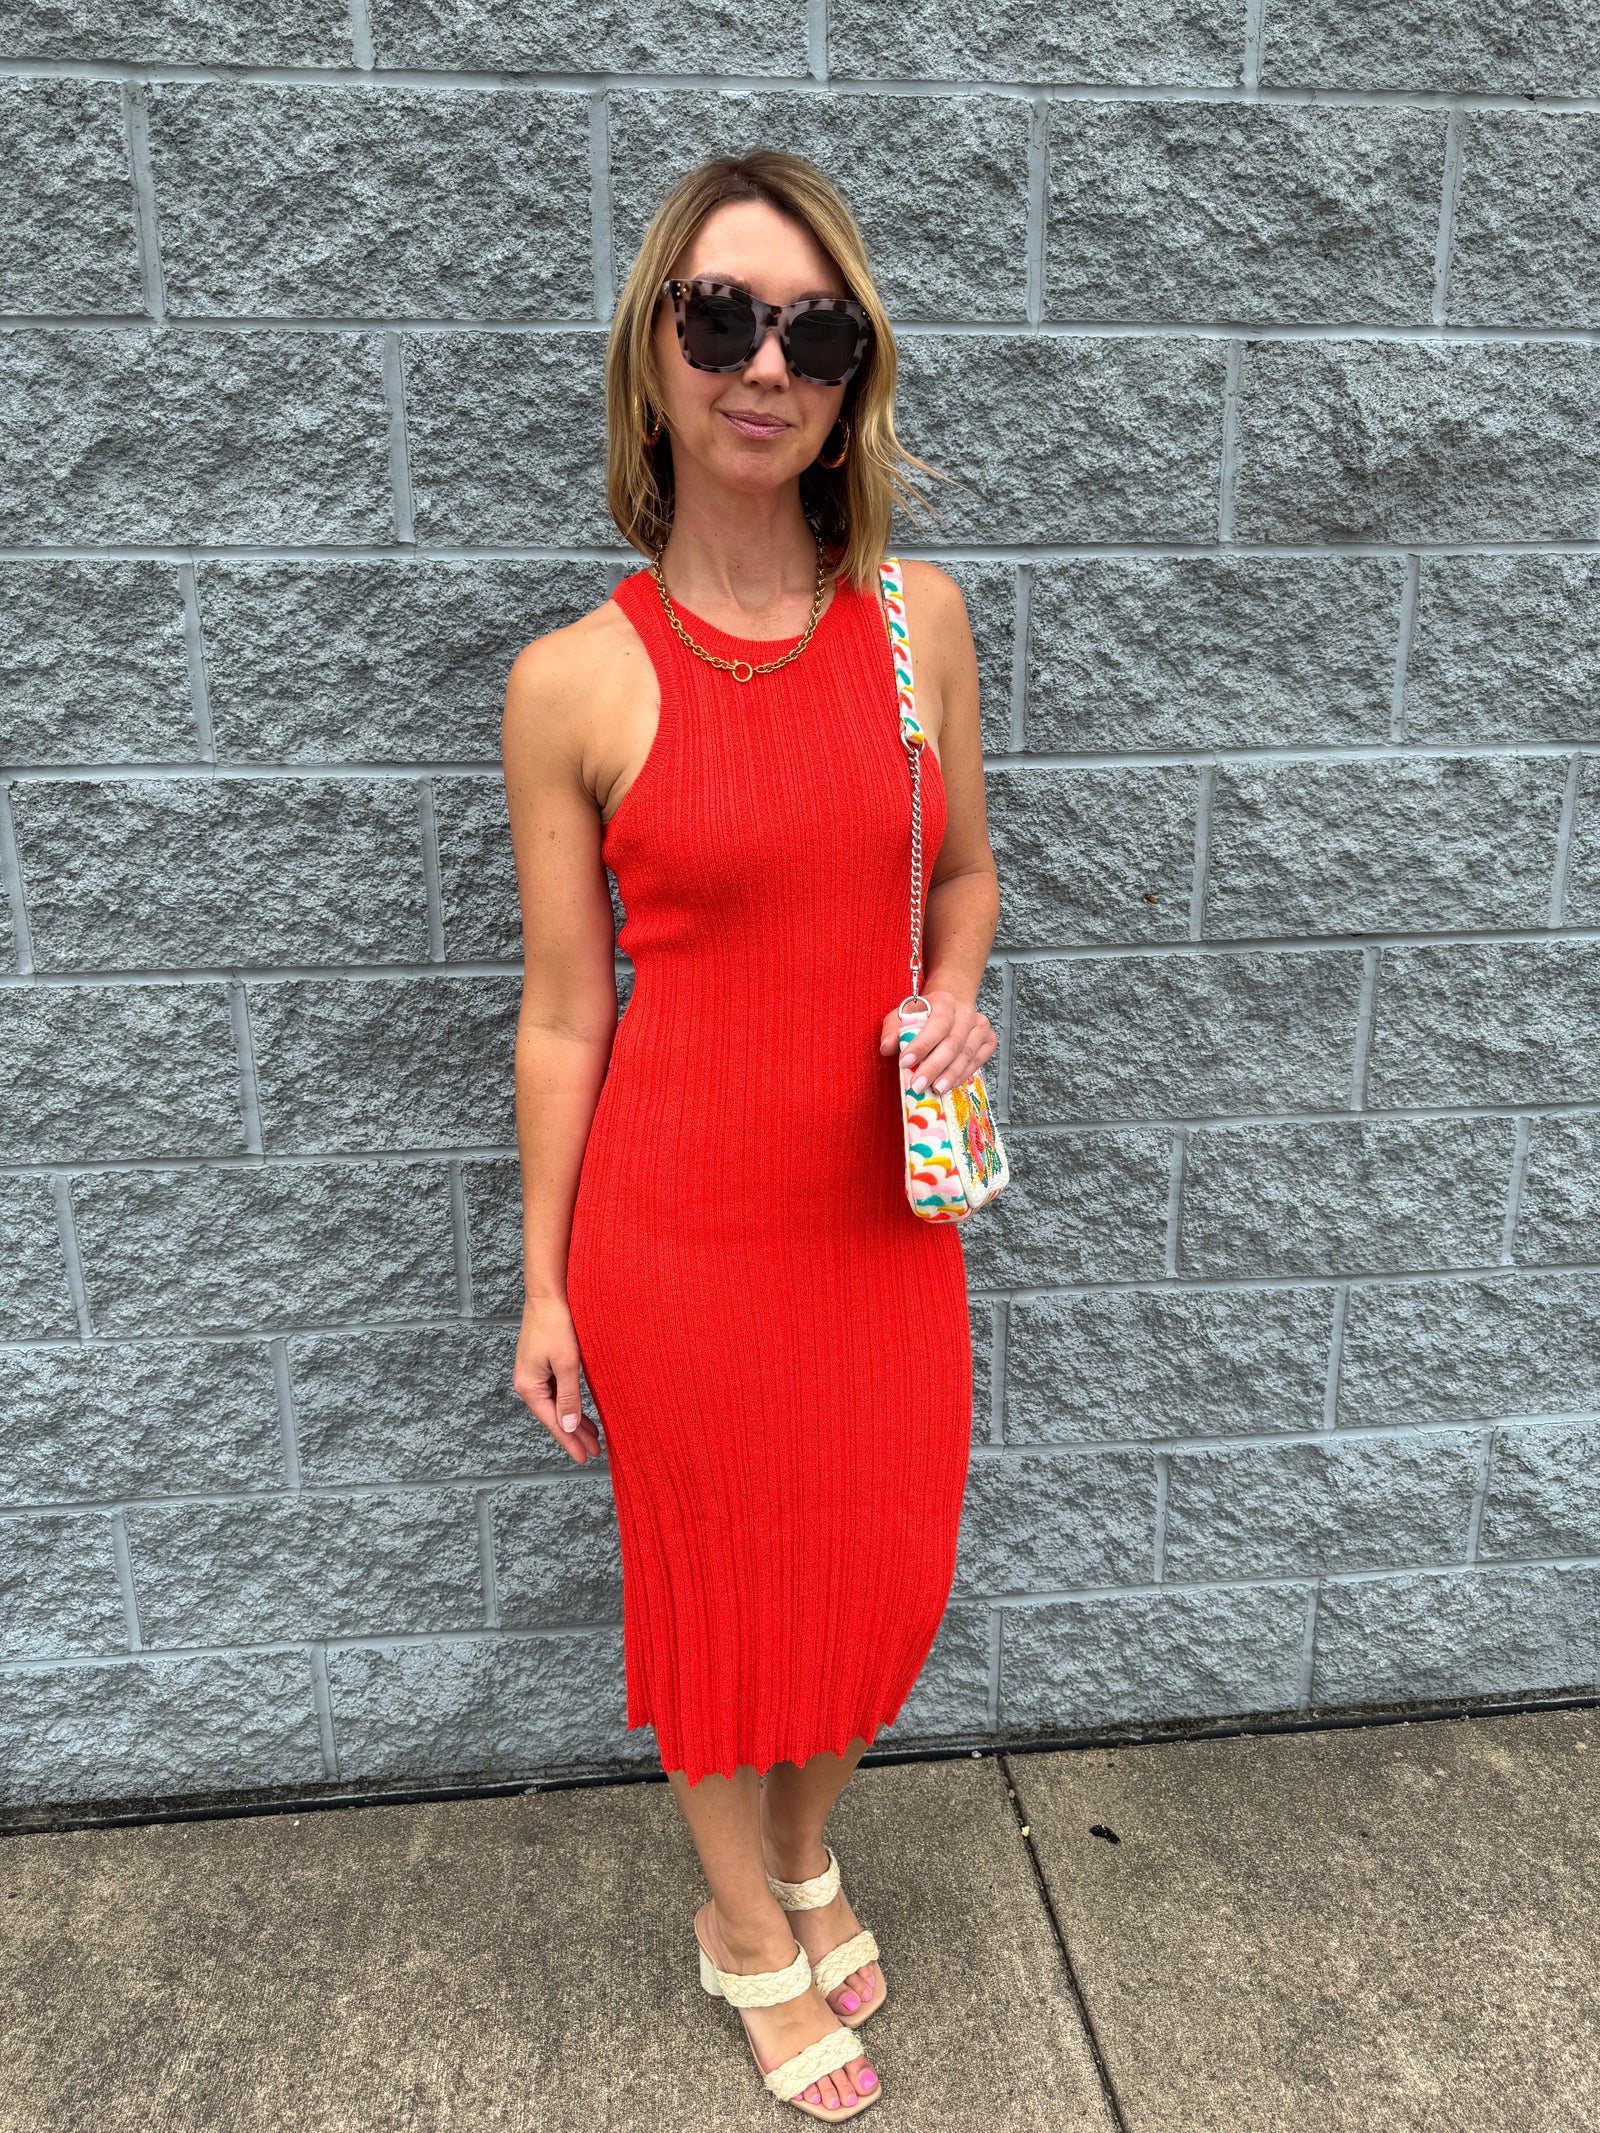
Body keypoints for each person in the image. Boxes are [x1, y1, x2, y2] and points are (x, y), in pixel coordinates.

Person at [500, 150, 1000, 2119]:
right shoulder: (573, 681)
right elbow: (561, 1008)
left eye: (811, 325)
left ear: (851, 371)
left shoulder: (915, 627)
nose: (763, 361)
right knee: (711, 1593)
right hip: (674, 1226)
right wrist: (541, 1275)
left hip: (880, 1208)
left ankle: (802, 1841)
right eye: (720, 316)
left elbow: (959, 874)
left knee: (875, 1574)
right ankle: (743, 1912)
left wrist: (955, 985)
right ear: (653, 356)